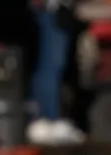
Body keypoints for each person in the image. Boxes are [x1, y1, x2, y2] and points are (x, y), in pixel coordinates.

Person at [27, 0, 85, 145]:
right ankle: (47, 118)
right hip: (53, 9)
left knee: (52, 65)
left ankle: (47, 118)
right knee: (51, 65)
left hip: (58, 9)